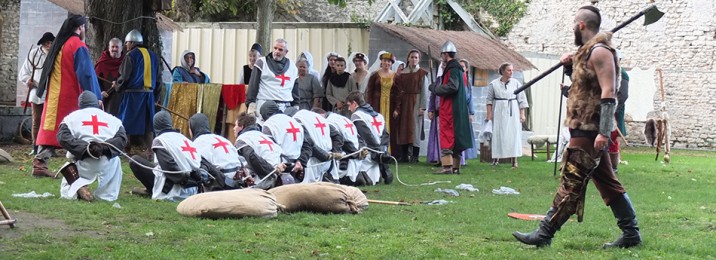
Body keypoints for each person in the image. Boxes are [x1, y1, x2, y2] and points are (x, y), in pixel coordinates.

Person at [513, 6, 641, 249]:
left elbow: (609, 92)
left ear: (581, 25)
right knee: (607, 183)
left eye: (574, 22)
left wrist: (604, 131)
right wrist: (571, 67)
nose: (573, 26)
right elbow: (584, 87)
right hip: (583, 127)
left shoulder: (600, 52)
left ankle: (545, 232)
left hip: (590, 129)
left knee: (571, 182)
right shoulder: (589, 52)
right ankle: (631, 234)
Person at [34, 15, 102, 178]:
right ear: (80, 28)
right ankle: (77, 166)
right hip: (71, 98)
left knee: (50, 129)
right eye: (84, 28)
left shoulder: (59, 44)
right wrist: (95, 97)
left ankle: (40, 164)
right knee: (76, 131)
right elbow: (86, 74)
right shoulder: (77, 45)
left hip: (55, 96)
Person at [57, 91, 127, 202]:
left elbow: (63, 137)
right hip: (107, 163)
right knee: (115, 160)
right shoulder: (113, 119)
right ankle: (106, 195)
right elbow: (121, 139)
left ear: (79, 105)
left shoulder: (70, 118)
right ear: (98, 104)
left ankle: (76, 188)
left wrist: (86, 149)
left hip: (83, 161)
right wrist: (102, 148)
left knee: (67, 190)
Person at [129, 111, 205, 201]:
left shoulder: (160, 140)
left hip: (174, 188)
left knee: (135, 161)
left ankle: (152, 190)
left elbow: (169, 167)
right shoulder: (185, 139)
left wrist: (185, 181)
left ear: (156, 125)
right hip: (193, 188)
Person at [113, 29, 162, 157]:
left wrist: (117, 85)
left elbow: (124, 76)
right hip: (149, 95)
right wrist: (156, 96)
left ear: (133, 42)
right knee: (148, 123)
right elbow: (158, 79)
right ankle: (150, 150)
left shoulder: (130, 56)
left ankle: (125, 147)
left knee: (125, 120)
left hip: (133, 95)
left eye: (127, 43)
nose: (126, 45)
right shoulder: (153, 56)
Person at [428, 41, 472, 174]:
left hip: (451, 108)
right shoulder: (457, 68)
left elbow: (453, 86)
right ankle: (456, 167)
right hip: (457, 107)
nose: (441, 57)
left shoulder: (453, 68)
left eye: (442, 55)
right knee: (456, 136)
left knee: (448, 135)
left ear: (446, 54)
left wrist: (436, 88)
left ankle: (447, 167)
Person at [486, 63, 528, 168]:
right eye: (509, 70)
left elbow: (521, 99)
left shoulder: (516, 83)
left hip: (512, 110)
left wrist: (522, 114)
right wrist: (489, 114)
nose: (511, 72)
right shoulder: (494, 84)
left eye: (512, 70)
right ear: (503, 71)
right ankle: (496, 159)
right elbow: (489, 100)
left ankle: (514, 160)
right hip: (499, 110)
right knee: (498, 133)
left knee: (513, 134)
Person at [245, 39, 299, 120]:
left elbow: (295, 88)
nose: (277, 51)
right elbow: (253, 85)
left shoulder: (292, 66)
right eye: (275, 48)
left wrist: (296, 105)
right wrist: (251, 104)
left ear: (286, 52)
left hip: (285, 106)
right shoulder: (262, 62)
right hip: (266, 106)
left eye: (280, 49)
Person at [19, 32, 54, 156]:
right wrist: (28, 80)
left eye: (51, 43)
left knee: (50, 121)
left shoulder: (56, 54)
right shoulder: (34, 53)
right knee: (37, 120)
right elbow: (24, 72)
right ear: (43, 43)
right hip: (36, 90)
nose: (49, 45)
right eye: (47, 43)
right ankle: (35, 146)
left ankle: (49, 147)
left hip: (52, 91)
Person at [315, 107, 369, 186]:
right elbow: (359, 138)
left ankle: (348, 178)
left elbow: (339, 138)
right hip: (355, 157)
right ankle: (357, 176)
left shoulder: (329, 121)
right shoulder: (343, 118)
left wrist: (336, 153)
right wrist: (361, 149)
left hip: (347, 159)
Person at [287, 107, 343, 183]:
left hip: (313, 162)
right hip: (327, 162)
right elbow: (337, 135)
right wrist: (334, 153)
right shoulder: (317, 117)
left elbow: (309, 143)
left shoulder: (297, 120)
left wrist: (326, 156)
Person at [347, 92, 392, 185]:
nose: (348, 108)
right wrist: (382, 151)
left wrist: (376, 152)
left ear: (354, 104)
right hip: (379, 152)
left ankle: (366, 177)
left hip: (368, 154)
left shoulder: (357, 115)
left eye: (349, 105)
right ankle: (382, 170)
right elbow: (385, 135)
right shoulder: (379, 115)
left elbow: (365, 136)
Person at [233, 112, 287, 189]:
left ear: (241, 127)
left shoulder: (243, 139)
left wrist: (271, 173)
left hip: (264, 180)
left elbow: (252, 157)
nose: (234, 128)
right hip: (278, 174)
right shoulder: (264, 137)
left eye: (235, 125)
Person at [260, 101, 311, 181]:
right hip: (298, 168)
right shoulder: (294, 122)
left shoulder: (269, 124)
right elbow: (307, 146)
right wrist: (300, 162)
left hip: (280, 169)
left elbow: (269, 149)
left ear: (265, 114)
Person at [394, 50, 428, 163]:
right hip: (404, 102)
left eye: (416, 57)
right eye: (412, 57)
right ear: (408, 58)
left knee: (415, 127)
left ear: (419, 59)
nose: (414, 59)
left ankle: (415, 155)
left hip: (416, 101)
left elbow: (424, 91)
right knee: (403, 127)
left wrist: (422, 107)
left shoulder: (422, 73)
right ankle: (404, 155)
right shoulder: (402, 73)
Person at [365, 52, 401, 157]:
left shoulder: (396, 76)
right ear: (381, 61)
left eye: (389, 61)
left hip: (390, 106)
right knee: (377, 127)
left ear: (391, 63)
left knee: (391, 128)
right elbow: (370, 92)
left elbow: (399, 94)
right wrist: (370, 108)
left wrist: (397, 108)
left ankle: (390, 152)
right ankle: (377, 152)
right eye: (385, 61)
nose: (387, 63)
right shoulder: (375, 75)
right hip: (377, 105)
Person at [189, 113, 237, 188]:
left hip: (220, 181)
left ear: (192, 128)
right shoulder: (223, 139)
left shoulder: (197, 143)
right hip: (237, 177)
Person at [95, 37, 125, 116]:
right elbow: (95, 81)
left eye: (117, 47)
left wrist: (119, 84)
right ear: (109, 48)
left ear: (121, 48)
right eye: (112, 47)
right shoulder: (102, 62)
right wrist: (100, 92)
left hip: (121, 100)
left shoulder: (126, 62)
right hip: (106, 99)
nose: (114, 49)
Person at [610, 50, 629, 174]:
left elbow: (623, 95)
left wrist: (612, 110)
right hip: (605, 109)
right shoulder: (609, 72)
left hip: (614, 111)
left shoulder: (622, 74)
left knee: (611, 138)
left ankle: (613, 166)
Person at [459, 59, 479, 162]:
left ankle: (464, 157)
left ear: (466, 69)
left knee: (465, 134)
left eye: (462, 66)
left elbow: (470, 98)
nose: (461, 68)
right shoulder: (456, 79)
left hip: (464, 110)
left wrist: (471, 113)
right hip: (457, 109)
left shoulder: (468, 83)